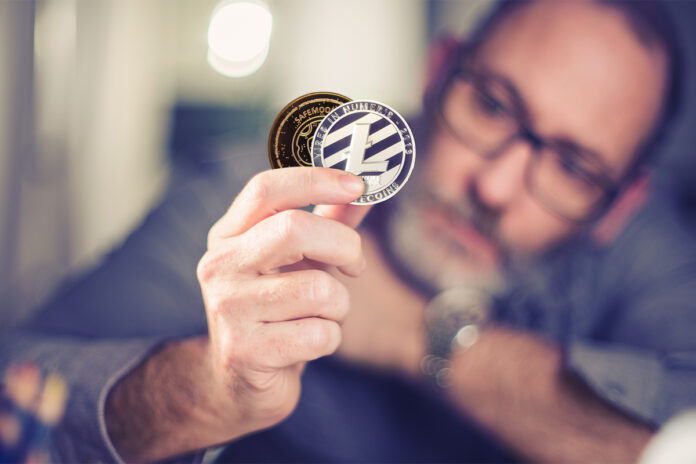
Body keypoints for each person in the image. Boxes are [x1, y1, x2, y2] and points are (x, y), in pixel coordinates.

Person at [2, 0, 696, 462]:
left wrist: (412, 331)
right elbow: (17, 391)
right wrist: (205, 387)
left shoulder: (646, 255)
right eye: (490, 105)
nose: (496, 187)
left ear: (621, 203)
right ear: (436, 73)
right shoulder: (262, 203)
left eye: (573, 167)